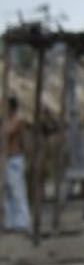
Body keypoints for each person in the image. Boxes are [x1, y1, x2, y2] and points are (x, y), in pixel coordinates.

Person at [2, 95, 31, 234]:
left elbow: (8, 132)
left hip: (15, 159)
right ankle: (10, 222)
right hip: (7, 160)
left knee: (18, 191)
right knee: (8, 191)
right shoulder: (6, 122)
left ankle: (23, 222)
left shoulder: (17, 121)